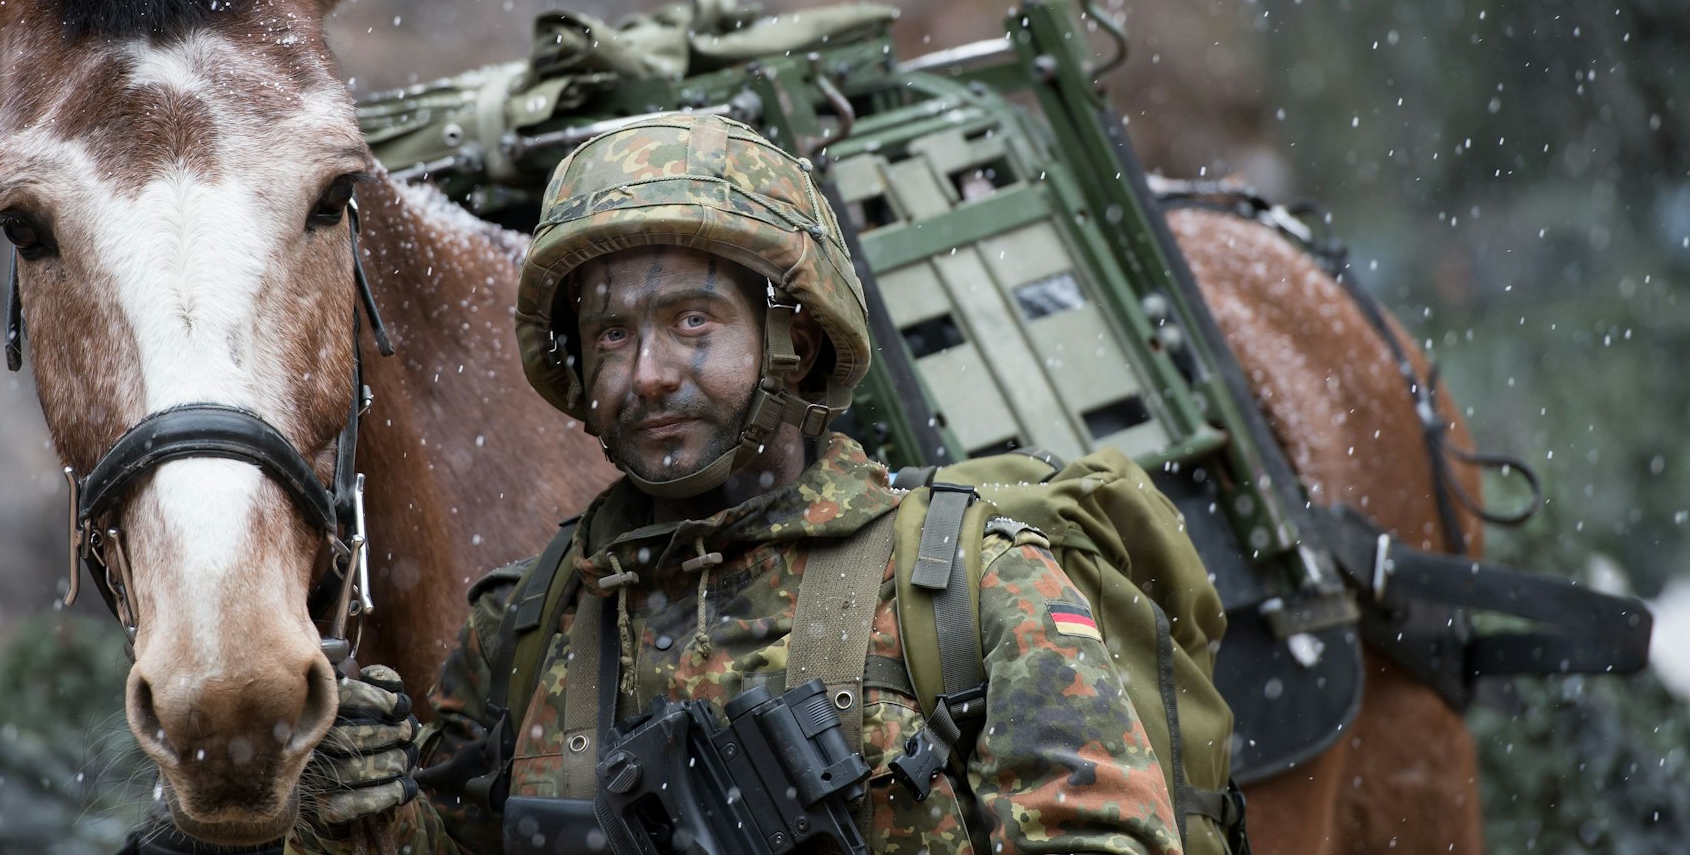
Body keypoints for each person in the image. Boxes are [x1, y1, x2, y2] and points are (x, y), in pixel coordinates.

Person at [290, 113, 1181, 855]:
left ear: (796, 339)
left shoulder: (970, 587)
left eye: (691, 320)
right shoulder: (525, 628)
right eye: (608, 335)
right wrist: (370, 816)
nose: (645, 374)